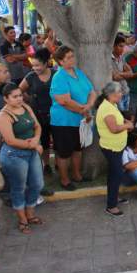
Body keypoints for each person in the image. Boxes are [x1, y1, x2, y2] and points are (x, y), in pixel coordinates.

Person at [0, 84, 45, 235]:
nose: (19, 99)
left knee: (37, 184)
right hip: (14, 155)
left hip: (31, 152)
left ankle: (30, 213)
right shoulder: (3, 116)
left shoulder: (26, 107)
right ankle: (22, 219)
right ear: (6, 99)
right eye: (14, 96)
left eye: (20, 95)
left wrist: (36, 139)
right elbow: (10, 140)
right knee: (19, 188)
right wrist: (34, 146)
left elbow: (37, 126)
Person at [50, 46, 96, 191]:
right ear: (60, 61)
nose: (71, 59)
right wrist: (83, 109)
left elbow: (92, 91)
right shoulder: (59, 77)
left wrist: (88, 105)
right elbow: (64, 101)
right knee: (64, 152)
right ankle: (64, 179)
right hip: (63, 121)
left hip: (80, 119)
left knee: (78, 149)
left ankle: (76, 174)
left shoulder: (78, 72)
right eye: (67, 57)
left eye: (72, 56)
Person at [96, 82, 135, 216]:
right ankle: (111, 206)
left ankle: (113, 196)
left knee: (114, 174)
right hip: (111, 147)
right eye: (119, 92)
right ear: (112, 94)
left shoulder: (112, 104)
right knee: (116, 174)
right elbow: (114, 129)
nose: (121, 94)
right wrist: (128, 126)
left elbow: (119, 119)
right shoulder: (106, 108)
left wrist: (125, 122)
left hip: (116, 146)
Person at [19, 48, 55, 179]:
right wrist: (28, 99)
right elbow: (19, 91)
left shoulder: (56, 74)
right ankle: (46, 165)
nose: (35, 68)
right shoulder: (31, 76)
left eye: (38, 65)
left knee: (57, 139)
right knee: (44, 140)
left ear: (46, 63)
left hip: (56, 113)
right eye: (33, 65)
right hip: (38, 114)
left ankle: (58, 163)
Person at [111, 35, 133, 112]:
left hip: (125, 91)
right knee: (119, 118)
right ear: (113, 46)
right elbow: (115, 77)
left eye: (123, 46)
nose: (123, 49)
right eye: (120, 46)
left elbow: (131, 73)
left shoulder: (121, 58)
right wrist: (125, 74)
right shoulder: (108, 59)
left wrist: (121, 74)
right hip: (115, 94)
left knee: (126, 116)